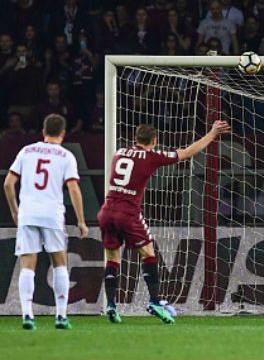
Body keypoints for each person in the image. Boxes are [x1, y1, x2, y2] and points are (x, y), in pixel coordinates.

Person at [97, 120, 231, 324]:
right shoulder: (151, 156)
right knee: (148, 254)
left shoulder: (120, 152)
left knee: (113, 258)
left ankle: (111, 305)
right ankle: (153, 301)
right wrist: (212, 134)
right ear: (154, 140)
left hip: (106, 210)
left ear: (135, 139)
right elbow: (186, 153)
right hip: (128, 212)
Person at [3, 114, 87, 330]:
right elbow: (74, 188)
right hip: (52, 214)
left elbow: (8, 184)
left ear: (43, 131)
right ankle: (60, 316)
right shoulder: (66, 156)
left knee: (27, 266)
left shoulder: (27, 151)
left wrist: (15, 211)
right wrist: (81, 220)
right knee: (59, 262)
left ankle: (27, 316)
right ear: (63, 133)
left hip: (28, 214)